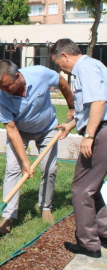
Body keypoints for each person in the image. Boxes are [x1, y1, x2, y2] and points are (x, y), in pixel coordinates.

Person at [0, 59, 74, 235]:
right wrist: (25, 161)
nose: (3, 91)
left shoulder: (39, 74)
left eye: (7, 86)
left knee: (49, 169)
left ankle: (45, 207)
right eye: (0, 87)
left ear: (18, 77)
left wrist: (72, 107)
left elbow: (62, 82)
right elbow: (12, 130)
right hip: (20, 131)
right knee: (13, 169)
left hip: (48, 128)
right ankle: (8, 215)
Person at [50, 38, 107, 258]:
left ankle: (88, 244)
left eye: (58, 63)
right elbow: (88, 107)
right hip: (100, 129)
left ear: (64, 55)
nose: (60, 68)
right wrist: (72, 124)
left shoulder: (86, 68)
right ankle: (103, 232)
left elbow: (99, 103)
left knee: (81, 188)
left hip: (101, 132)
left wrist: (89, 136)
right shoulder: (91, 66)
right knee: (91, 187)